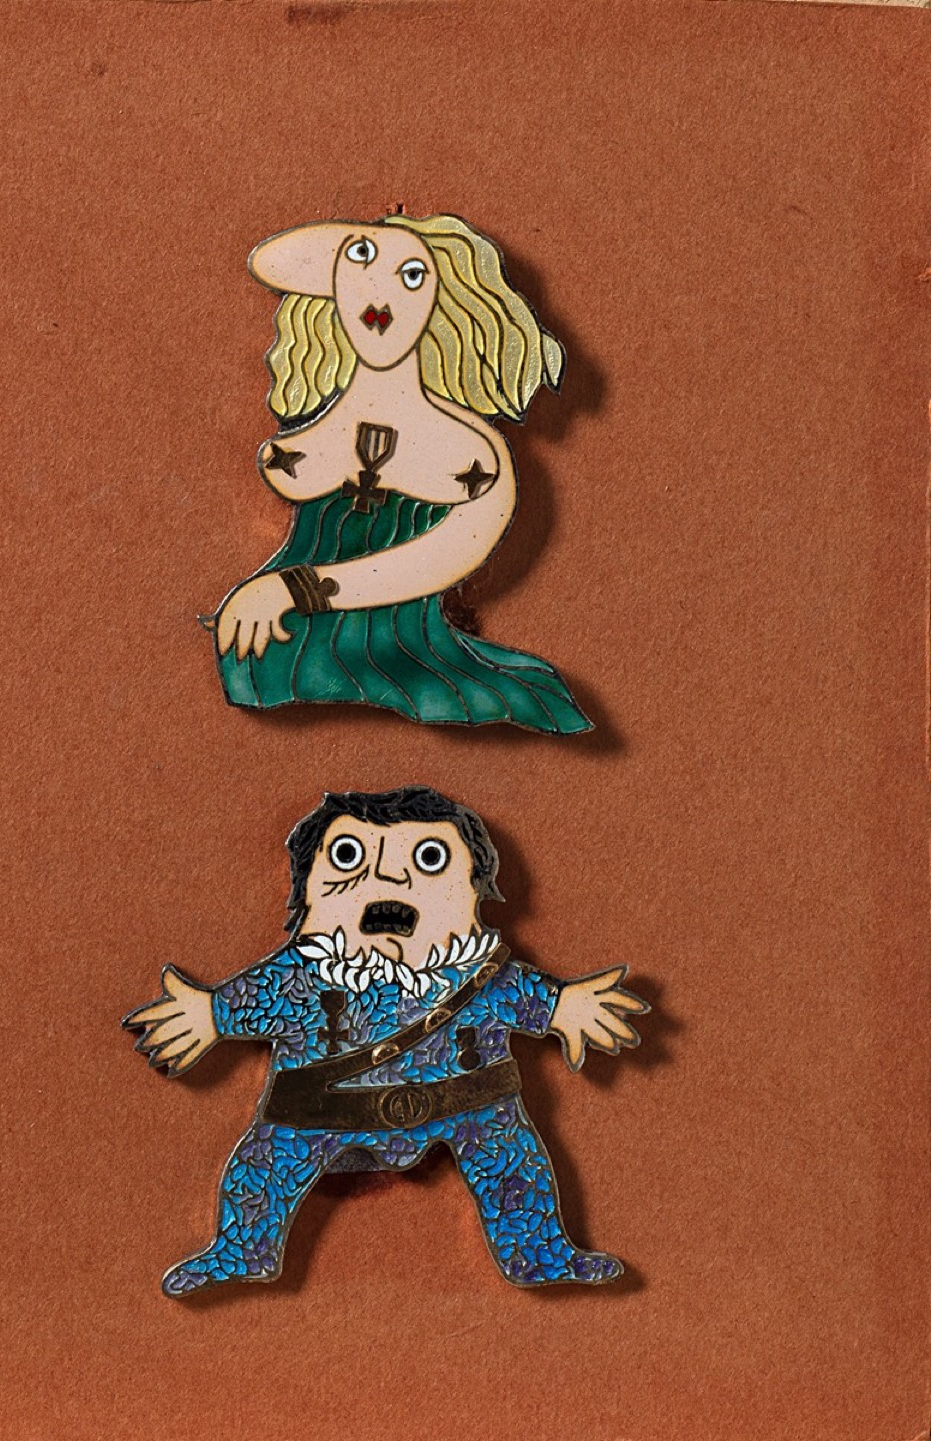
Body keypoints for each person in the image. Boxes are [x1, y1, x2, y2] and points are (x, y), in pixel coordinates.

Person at [123, 787, 646, 1293]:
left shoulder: (484, 975)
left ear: (475, 886)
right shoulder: (299, 976)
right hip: (315, 1113)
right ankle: (241, 1252)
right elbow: (251, 999)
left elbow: (530, 997)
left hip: (472, 1105)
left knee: (514, 1168)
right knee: (260, 1171)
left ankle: (539, 1255)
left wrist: (565, 1006)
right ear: (306, 888)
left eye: (429, 858)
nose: (390, 878)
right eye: (349, 857)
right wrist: (209, 1014)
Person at [214, 215, 591, 733]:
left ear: (445, 300)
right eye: (360, 260)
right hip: (280, 633)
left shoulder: (472, 455)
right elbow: (268, 261)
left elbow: (434, 562)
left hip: (403, 654)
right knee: (252, 660)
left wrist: (293, 590)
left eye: (412, 275)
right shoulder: (299, 441)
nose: (380, 293)